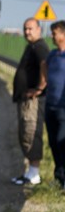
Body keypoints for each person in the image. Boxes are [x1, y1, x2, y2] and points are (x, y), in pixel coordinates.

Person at [11, 18, 50, 185]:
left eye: (31, 29)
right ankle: (30, 172)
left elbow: (44, 64)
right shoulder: (31, 46)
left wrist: (40, 87)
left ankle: (34, 173)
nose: (27, 32)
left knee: (31, 131)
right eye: (25, 29)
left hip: (33, 101)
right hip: (25, 99)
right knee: (25, 132)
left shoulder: (40, 46)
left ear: (39, 29)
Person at [42, 20, 65, 189]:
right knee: (52, 143)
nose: (52, 36)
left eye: (54, 32)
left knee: (61, 142)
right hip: (50, 105)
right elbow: (44, 66)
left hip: (63, 108)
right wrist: (46, 83)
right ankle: (58, 177)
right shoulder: (53, 54)